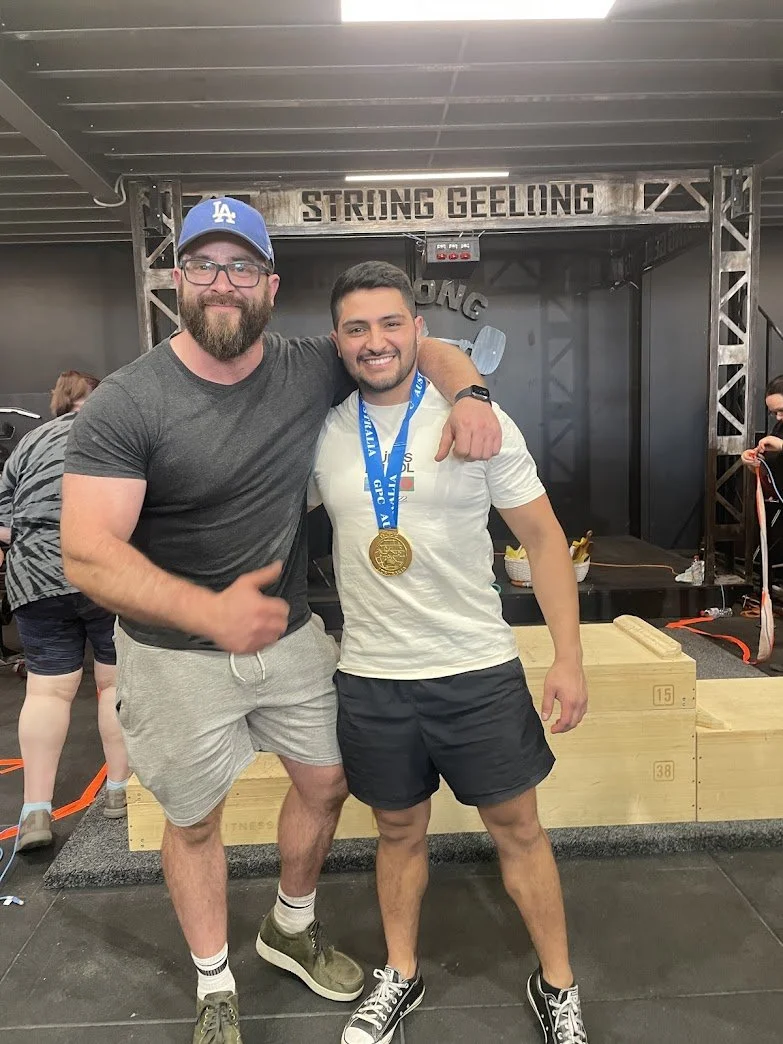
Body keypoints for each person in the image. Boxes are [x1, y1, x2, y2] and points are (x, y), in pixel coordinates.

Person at [59, 197, 503, 1044]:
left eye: (240, 269)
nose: (221, 284)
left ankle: (289, 924)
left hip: (289, 634)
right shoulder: (129, 402)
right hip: (170, 653)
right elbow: (86, 552)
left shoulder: (309, 366)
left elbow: (426, 344)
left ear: (269, 284)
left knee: (329, 779)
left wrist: (471, 393)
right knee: (192, 821)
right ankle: (214, 980)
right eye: (203, 266)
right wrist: (206, 611)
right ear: (179, 279)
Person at [308, 261, 590, 1044]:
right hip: (371, 676)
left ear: (418, 331)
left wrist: (567, 658)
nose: (375, 341)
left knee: (519, 831)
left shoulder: (475, 420)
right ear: (338, 341)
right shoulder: (325, 435)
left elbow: (542, 538)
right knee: (397, 833)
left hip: (474, 668)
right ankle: (400, 974)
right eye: (357, 328)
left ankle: (558, 984)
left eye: (391, 323)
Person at [0, 371, 129, 852]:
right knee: (114, 684)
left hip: (34, 577)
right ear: (98, 400)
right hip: (103, 571)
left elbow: (3, 523)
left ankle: (35, 810)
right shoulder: (115, 432)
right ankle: (118, 792)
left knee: (48, 691)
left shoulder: (29, 443)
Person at [742, 375, 783, 577]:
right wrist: (753, 463)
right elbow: (772, 472)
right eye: (774, 412)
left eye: (782, 411)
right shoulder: (779, 428)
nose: (778, 417)